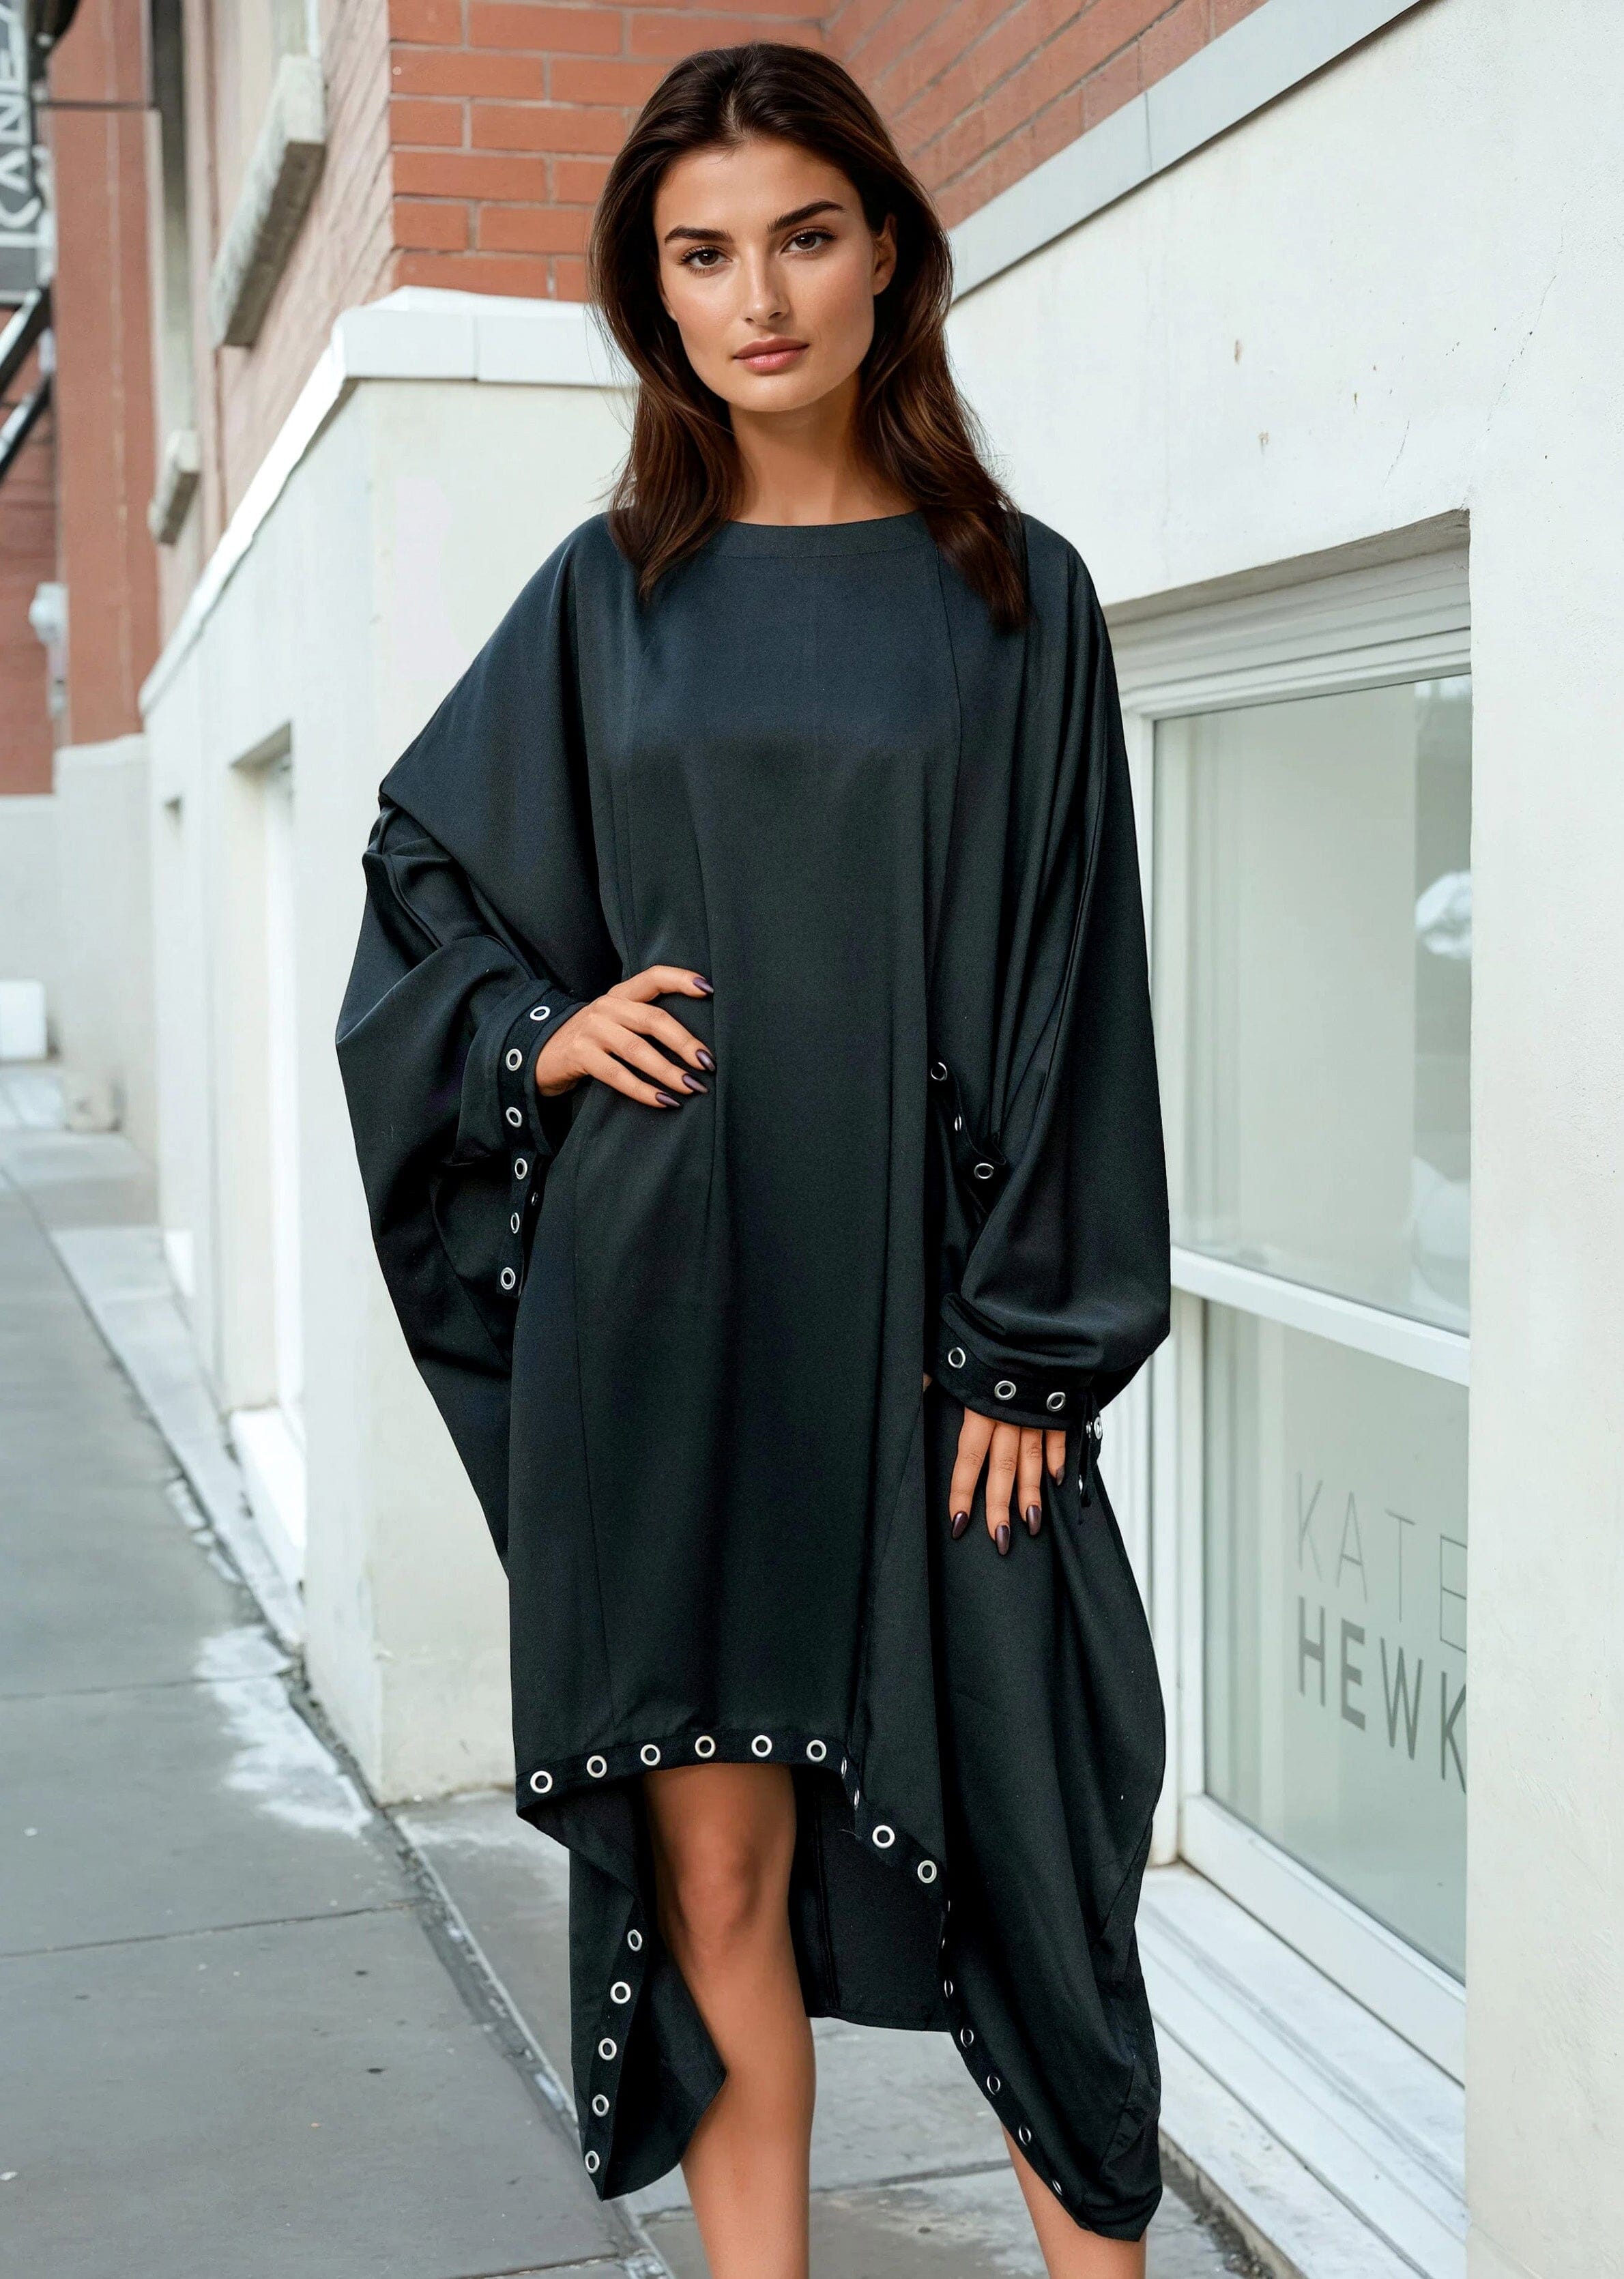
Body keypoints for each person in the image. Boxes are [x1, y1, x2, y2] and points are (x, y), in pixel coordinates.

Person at [336, 41, 1170, 2279]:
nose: (757, 295)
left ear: (886, 248)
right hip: (675, 1317)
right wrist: (540, 1028)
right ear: (656, 297)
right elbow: (422, 896)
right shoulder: (605, 595)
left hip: (933, 1340)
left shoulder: (1020, 600)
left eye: (801, 235)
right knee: (711, 1874)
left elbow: (1078, 984)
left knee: (1035, 1873)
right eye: (701, 256)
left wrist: (1033, 1351)